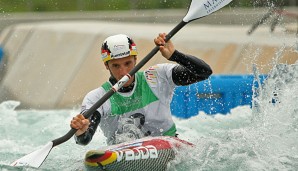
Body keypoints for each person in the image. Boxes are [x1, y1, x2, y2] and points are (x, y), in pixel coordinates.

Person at [70, 33, 212, 145]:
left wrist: (175, 55)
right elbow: (84, 140)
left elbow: (204, 72)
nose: (123, 72)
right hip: (123, 155)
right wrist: (81, 133)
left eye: (127, 63)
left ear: (136, 59)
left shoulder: (158, 76)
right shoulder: (97, 98)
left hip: (167, 145)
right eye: (116, 66)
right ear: (107, 66)